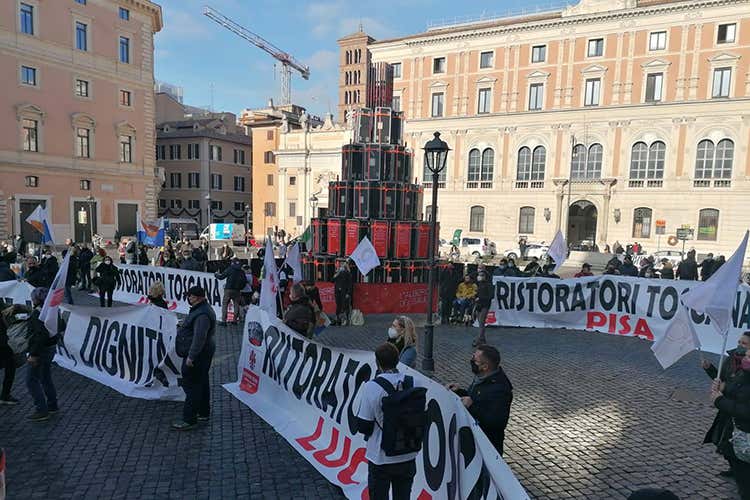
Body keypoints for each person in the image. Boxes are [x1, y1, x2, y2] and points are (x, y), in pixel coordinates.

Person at [355, 343, 421, 500]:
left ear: (377, 362)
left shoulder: (371, 387)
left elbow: (364, 425)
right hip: (408, 452)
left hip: (381, 456)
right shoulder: (415, 383)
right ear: (398, 360)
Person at [448, 345, 513, 455]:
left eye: (475, 360)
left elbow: (496, 422)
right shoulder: (482, 378)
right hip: (473, 442)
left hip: (487, 448)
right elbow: (475, 398)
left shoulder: (500, 390)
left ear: (485, 366)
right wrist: (460, 392)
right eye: (473, 355)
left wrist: (472, 406)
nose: (471, 360)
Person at [702, 332, 750, 478]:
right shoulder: (730, 359)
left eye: (744, 344)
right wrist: (709, 368)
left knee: (735, 444)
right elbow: (721, 379)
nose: (740, 346)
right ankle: (734, 468)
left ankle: (740, 470)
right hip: (726, 408)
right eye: (739, 342)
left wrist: (724, 389)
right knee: (723, 442)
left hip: (737, 409)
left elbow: (738, 388)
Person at [173, 286, 216, 430]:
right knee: (202, 382)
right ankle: (203, 412)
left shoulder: (202, 314)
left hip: (198, 355)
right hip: (202, 353)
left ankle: (189, 419)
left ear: (197, 297)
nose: (188, 299)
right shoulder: (202, 310)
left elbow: (199, 338)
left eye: (190, 296)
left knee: (191, 386)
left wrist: (191, 356)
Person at [710, 346, 750, 499]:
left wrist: (719, 401)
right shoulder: (745, 375)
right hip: (738, 433)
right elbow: (736, 390)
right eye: (746, 355)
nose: (745, 359)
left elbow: (745, 410)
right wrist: (723, 388)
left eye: (749, 357)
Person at [26, 287, 59, 421]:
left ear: (36, 300)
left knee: (31, 380)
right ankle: (52, 405)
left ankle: (41, 409)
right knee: (45, 377)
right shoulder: (51, 311)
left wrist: (33, 354)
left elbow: (40, 335)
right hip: (50, 348)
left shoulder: (37, 315)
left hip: (40, 351)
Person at [215, 259, 248, 326]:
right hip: (237, 290)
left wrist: (216, 274)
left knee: (225, 304)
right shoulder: (241, 271)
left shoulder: (230, 269)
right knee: (236, 305)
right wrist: (240, 288)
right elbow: (245, 281)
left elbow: (221, 277)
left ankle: (224, 321)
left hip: (228, 289)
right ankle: (234, 320)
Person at [473, 272, 494, 346]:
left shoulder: (489, 285)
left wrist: (480, 298)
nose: (479, 277)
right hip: (479, 305)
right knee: (480, 323)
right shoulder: (480, 284)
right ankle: (482, 339)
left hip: (485, 305)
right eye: (479, 275)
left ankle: (479, 339)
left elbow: (491, 296)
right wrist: (475, 296)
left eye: (481, 275)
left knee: (481, 322)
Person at [333, 260, 353, 326]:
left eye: (342, 264)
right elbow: (332, 280)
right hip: (337, 292)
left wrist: (348, 293)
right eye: (340, 264)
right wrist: (337, 273)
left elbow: (350, 284)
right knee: (338, 305)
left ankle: (347, 319)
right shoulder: (337, 272)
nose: (341, 265)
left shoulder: (348, 273)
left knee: (346, 305)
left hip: (345, 292)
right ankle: (338, 318)